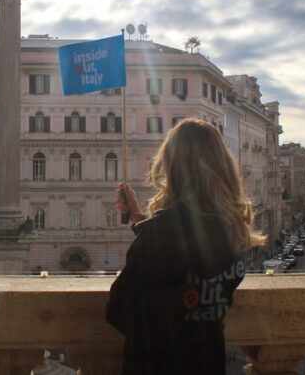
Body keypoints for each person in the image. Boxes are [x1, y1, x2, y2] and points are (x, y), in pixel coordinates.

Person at [106, 117, 265, 375]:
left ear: (172, 166)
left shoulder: (160, 235)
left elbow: (117, 309)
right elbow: (189, 247)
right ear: (222, 165)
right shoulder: (232, 231)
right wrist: (140, 220)